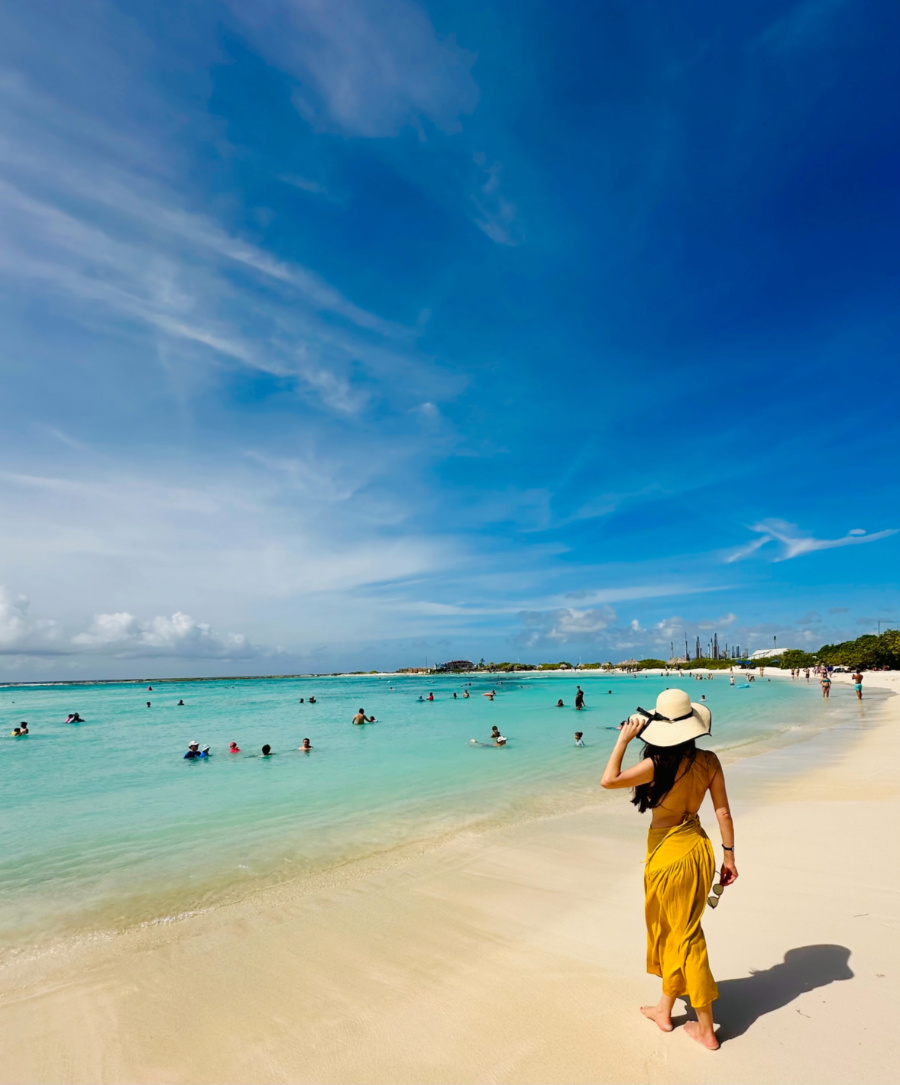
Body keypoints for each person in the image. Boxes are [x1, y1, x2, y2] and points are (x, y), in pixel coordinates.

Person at [600, 689, 737, 1051]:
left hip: (667, 856)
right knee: (675, 929)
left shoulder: (656, 765)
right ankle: (664, 1009)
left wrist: (623, 739)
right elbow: (722, 812)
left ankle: (706, 1028)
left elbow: (608, 780)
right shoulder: (709, 760)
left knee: (685, 935)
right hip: (698, 849)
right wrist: (729, 857)